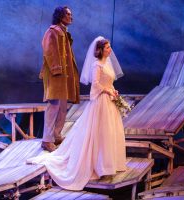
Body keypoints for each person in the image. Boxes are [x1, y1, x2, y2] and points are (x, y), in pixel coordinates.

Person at [27, 36, 126, 190]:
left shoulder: (107, 64)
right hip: (101, 102)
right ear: (100, 50)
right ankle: (100, 166)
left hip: (109, 101)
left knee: (109, 132)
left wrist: (113, 89)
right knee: (100, 132)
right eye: (107, 48)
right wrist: (106, 90)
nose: (110, 50)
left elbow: (109, 81)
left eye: (109, 47)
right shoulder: (97, 65)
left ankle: (109, 164)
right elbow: (96, 84)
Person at [40, 6, 80, 152]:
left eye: (71, 14)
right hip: (56, 74)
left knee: (62, 107)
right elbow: (49, 51)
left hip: (64, 75)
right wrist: (57, 69)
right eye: (68, 14)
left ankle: (57, 135)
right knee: (53, 106)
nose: (71, 17)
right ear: (60, 16)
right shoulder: (53, 31)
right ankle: (47, 139)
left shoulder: (64, 32)